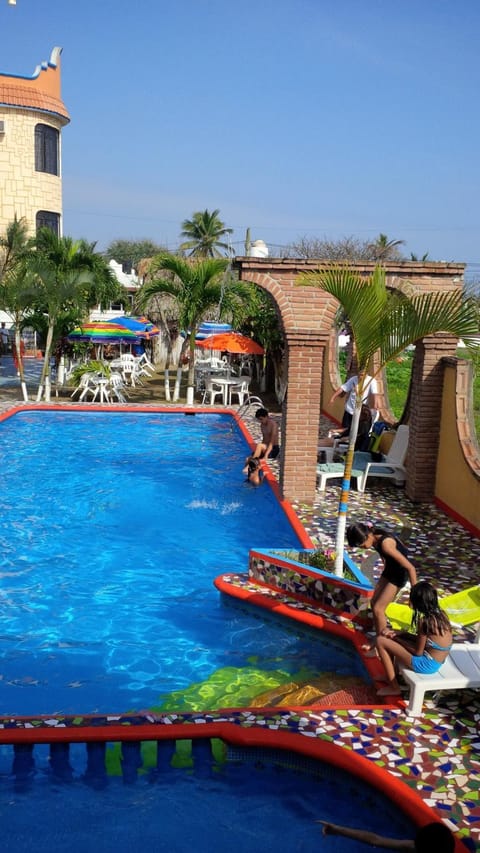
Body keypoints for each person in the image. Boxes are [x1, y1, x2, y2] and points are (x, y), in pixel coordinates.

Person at [346, 522, 417, 655]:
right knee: (374, 603)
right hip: (390, 571)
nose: (361, 548)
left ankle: (381, 644)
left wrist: (414, 595)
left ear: (367, 535)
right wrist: (385, 567)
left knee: (379, 608)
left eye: (360, 544)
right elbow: (386, 557)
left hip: (399, 575)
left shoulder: (386, 544)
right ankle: (379, 637)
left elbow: (410, 568)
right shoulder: (375, 537)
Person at [375, 580, 453, 696]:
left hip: (425, 665)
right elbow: (423, 641)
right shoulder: (441, 615)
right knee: (391, 637)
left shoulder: (425, 622)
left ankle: (394, 687)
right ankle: (390, 676)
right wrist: (399, 634)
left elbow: (418, 652)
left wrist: (396, 639)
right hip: (435, 661)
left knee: (380, 641)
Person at [317, 819, 455, 851]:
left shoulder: (415, 847)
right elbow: (375, 840)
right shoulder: (413, 847)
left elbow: (375, 840)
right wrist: (337, 829)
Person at [242, 408, 280, 473]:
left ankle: (250, 466)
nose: (261, 421)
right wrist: (259, 452)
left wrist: (266, 455)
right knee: (247, 459)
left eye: (261, 419)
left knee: (259, 446)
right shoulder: (262, 425)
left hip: (273, 449)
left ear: (267, 417)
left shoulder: (273, 425)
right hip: (265, 447)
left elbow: (272, 441)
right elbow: (264, 439)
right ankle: (249, 478)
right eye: (259, 420)